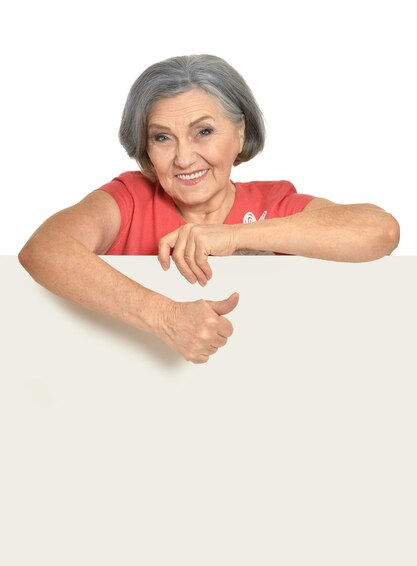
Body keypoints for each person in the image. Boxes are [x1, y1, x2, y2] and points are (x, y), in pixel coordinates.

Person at [18, 54, 400, 364]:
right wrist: (166, 317)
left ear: (240, 133)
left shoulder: (274, 205)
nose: (184, 158)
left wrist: (232, 236)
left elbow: (380, 231)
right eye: (162, 137)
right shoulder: (130, 198)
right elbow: (43, 249)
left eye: (204, 131)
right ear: (146, 149)